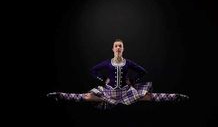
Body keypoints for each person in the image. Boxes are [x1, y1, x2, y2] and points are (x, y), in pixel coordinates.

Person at [47, 39, 189, 109]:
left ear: (123, 48)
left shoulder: (128, 63)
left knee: (148, 97)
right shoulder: (107, 63)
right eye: (116, 46)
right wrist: (103, 79)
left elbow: (143, 71)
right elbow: (93, 70)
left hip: (126, 92)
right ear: (113, 49)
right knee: (87, 96)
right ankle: (59, 95)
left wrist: (132, 81)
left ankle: (176, 97)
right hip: (110, 92)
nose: (118, 47)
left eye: (120, 45)